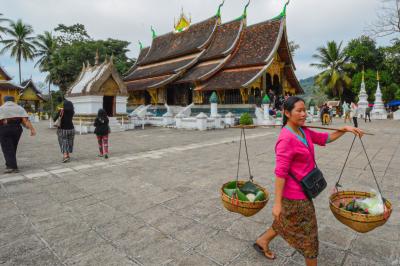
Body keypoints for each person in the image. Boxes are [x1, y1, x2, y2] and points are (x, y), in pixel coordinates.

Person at [254, 96, 363, 266]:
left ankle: (262, 241)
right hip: (295, 196)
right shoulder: (286, 139)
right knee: (310, 237)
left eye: (304, 110)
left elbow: (324, 138)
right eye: (299, 110)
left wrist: (345, 129)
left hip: (304, 190)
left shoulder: (303, 130)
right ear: (287, 113)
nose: (304, 114)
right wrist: (277, 203)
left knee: (285, 221)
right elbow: (280, 173)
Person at [0, 96, 36, 173]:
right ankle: (9, 164)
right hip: (17, 129)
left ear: (4, 100)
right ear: (14, 100)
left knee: (6, 148)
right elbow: (25, 120)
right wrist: (32, 129)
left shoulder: (1, 108)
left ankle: (13, 167)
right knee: (13, 146)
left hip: (4, 129)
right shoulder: (19, 108)